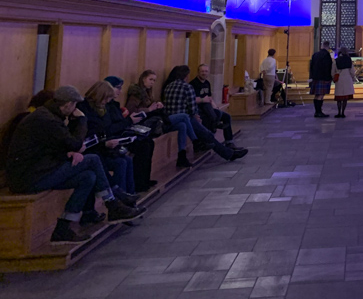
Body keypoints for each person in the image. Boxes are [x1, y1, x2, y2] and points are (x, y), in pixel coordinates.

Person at [4, 86, 142, 244]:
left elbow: (47, 147)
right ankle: (112, 203)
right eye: (75, 106)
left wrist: (67, 153)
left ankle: (62, 228)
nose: (76, 109)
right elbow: (75, 143)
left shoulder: (48, 116)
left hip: (39, 170)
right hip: (28, 177)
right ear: (68, 104)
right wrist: (81, 120)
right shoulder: (46, 119)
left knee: (87, 177)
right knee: (92, 159)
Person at [162, 66, 248, 164]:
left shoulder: (168, 86)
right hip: (186, 118)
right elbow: (192, 107)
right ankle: (227, 153)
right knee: (207, 134)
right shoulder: (187, 87)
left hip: (171, 118)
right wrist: (196, 116)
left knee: (207, 131)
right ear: (185, 76)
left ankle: (225, 151)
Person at [78, 81, 141, 202]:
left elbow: (107, 129)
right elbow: (87, 135)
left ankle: (130, 198)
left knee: (126, 159)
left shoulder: (104, 108)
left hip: (103, 148)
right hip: (93, 150)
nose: (107, 102)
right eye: (106, 98)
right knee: (120, 163)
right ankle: (119, 198)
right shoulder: (84, 110)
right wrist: (105, 143)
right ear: (99, 95)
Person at [190, 64, 237, 147]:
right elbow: (191, 99)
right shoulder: (193, 84)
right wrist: (202, 100)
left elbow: (210, 98)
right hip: (199, 109)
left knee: (226, 116)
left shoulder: (207, 83)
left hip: (208, 108)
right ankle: (215, 124)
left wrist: (216, 107)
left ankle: (229, 142)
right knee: (207, 106)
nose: (204, 73)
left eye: (206, 71)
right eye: (202, 71)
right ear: (198, 72)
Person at [309, 41, 334, 118]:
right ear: (328, 47)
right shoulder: (326, 55)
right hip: (323, 77)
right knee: (320, 95)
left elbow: (311, 66)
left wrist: (311, 77)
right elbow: (328, 67)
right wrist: (330, 77)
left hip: (315, 77)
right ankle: (319, 112)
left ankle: (317, 111)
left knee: (317, 95)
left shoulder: (315, 55)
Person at [333, 48, 357, 118]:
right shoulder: (349, 60)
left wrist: (333, 77)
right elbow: (352, 71)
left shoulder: (336, 61)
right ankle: (343, 113)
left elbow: (333, 71)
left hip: (339, 79)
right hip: (347, 79)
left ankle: (338, 112)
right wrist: (352, 78)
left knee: (339, 98)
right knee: (345, 98)